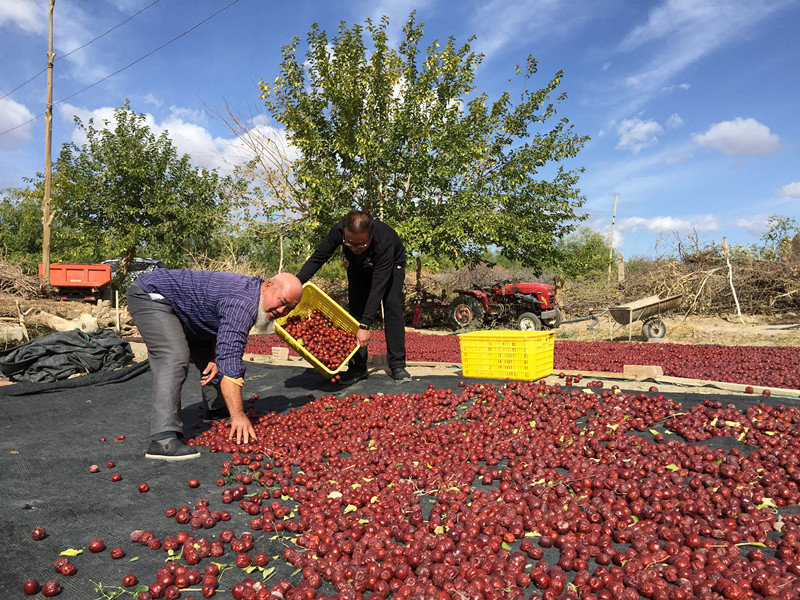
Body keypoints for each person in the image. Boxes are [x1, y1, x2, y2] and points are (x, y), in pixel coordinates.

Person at [127, 269, 303, 460]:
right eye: (282, 302)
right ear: (268, 286)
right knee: (174, 355)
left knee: (212, 357)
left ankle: (217, 409)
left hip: (191, 314)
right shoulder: (244, 303)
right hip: (153, 296)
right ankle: (163, 439)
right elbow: (231, 359)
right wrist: (238, 415)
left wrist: (215, 356)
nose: (281, 311)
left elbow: (223, 335)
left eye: (288, 309)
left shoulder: (253, 295)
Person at [297, 210, 411, 385]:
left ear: (371, 236)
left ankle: (397, 364)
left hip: (392, 264)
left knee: (391, 305)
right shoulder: (339, 232)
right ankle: (357, 367)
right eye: (349, 243)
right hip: (358, 267)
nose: (355, 248)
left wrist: (365, 325)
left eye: (361, 245)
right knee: (355, 310)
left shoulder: (384, 243)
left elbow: (377, 288)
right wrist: (296, 283)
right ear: (344, 233)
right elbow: (319, 257)